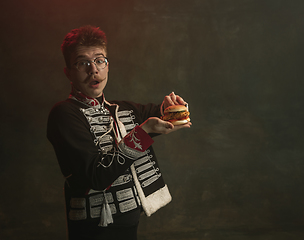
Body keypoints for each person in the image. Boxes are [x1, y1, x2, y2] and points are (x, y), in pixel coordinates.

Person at [47, 25, 191, 240]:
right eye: (82, 63)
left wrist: (174, 107)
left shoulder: (123, 109)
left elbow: (163, 113)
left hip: (129, 225)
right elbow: (96, 176)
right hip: (94, 229)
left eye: (99, 60)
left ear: (107, 66)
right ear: (68, 72)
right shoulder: (64, 114)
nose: (93, 70)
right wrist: (144, 132)